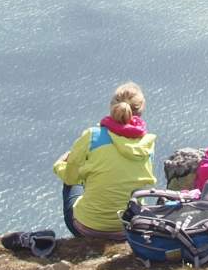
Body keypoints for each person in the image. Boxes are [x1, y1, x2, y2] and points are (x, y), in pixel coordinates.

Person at [53, 81, 157, 241]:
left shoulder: (92, 136)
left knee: (72, 181)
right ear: (141, 110)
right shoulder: (147, 143)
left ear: (112, 106)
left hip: (87, 229)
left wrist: (59, 165)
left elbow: (70, 177)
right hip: (129, 229)